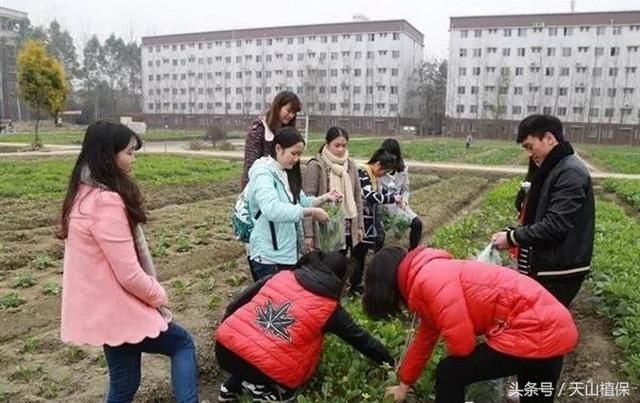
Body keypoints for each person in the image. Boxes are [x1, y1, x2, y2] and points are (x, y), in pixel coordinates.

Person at [58, 121, 198, 403]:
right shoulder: (106, 202)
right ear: (108, 155)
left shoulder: (82, 194)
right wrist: (158, 295)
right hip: (121, 309)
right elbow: (129, 274)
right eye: (129, 152)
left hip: (106, 312)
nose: (133, 159)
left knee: (124, 385)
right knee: (182, 344)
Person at [363, 246, 578, 403]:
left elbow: (462, 345)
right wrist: (404, 384)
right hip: (554, 326)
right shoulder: (430, 272)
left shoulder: (429, 280)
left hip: (531, 329)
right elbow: (425, 339)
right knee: (534, 390)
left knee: (450, 372)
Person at [214, 251, 394, 402]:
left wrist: (227, 325)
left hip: (224, 350)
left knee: (256, 343)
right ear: (339, 279)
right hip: (260, 368)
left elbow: (238, 302)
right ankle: (265, 390)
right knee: (272, 369)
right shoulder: (329, 308)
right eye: (346, 283)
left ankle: (230, 388)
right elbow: (362, 340)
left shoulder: (282, 276)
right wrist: (390, 363)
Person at [490, 114, 594, 307]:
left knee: (539, 326)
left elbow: (555, 225)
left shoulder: (570, 172)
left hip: (557, 273)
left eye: (530, 147)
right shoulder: (551, 169)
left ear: (549, 138)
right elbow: (539, 218)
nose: (529, 154)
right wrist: (513, 233)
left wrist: (513, 238)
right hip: (544, 267)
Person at [245, 126, 342, 281]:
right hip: (268, 257)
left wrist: (325, 197)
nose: (297, 159)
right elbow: (272, 209)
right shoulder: (263, 173)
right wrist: (311, 212)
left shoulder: (286, 172)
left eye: (299, 154)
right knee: (274, 304)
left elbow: (302, 202)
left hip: (287, 254)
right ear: (278, 148)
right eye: (293, 153)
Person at [302, 126, 363, 254]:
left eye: (344, 145)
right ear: (327, 143)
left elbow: (357, 196)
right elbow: (307, 200)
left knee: (341, 265)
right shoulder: (316, 165)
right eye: (337, 145)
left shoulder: (350, 165)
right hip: (324, 227)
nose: (341, 149)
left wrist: (359, 226)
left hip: (346, 225)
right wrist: (309, 234)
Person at [350, 148, 402, 294]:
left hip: (367, 221)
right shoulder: (363, 172)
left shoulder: (372, 176)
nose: (383, 175)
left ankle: (356, 284)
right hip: (358, 220)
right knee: (358, 254)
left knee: (361, 253)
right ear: (378, 165)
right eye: (384, 172)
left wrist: (391, 196)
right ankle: (353, 285)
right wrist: (392, 199)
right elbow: (369, 196)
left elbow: (378, 193)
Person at [241, 91, 302, 189]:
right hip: (260, 187)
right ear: (278, 107)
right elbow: (251, 164)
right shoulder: (258, 129)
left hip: (282, 187)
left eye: (294, 113)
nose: (291, 116)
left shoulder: (289, 131)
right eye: (288, 111)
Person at [379, 138, 423, 251]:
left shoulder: (402, 171)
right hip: (382, 207)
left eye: (393, 156)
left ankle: (412, 252)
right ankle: (376, 255)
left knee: (417, 224)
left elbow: (405, 189)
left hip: (399, 206)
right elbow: (376, 191)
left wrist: (404, 201)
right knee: (379, 234)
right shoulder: (377, 169)